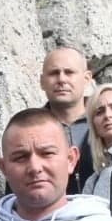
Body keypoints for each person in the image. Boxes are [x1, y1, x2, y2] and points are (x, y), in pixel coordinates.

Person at [40, 47, 95, 193]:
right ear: (42, 81)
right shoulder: (29, 128)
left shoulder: (107, 122)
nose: (61, 79)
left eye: (69, 72)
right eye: (54, 73)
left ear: (87, 78)